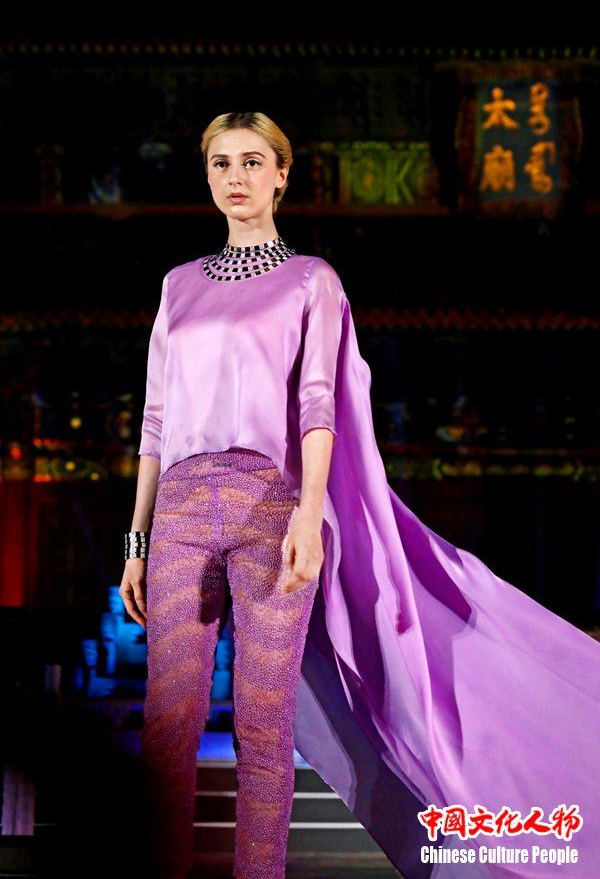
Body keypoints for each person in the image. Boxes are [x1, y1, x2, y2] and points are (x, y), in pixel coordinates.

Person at [121, 112, 600, 879]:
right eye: (221, 163)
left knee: (263, 724)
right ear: (206, 175)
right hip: (177, 509)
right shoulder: (178, 285)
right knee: (166, 722)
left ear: (282, 174)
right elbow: (154, 419)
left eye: (252, 161)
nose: (236, 177)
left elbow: (319, 405)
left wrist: (309, 515)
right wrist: (137, 542)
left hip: (270, 505)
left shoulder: (311, 280)